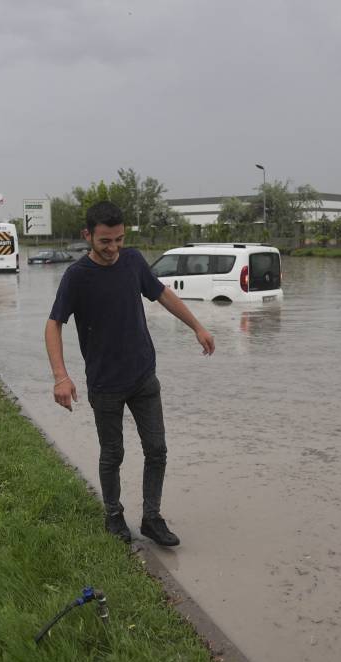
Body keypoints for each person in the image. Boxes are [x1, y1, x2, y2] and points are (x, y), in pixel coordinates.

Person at [44, 201, 215, 547]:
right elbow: (53, 325)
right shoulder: (76, 277)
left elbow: (163, 295)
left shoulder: (134, 261)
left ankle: (152, 518)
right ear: (87, 236)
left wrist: (197, 326)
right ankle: (113, 515)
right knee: (113, 454)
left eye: (119, 239)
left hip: (143, 377)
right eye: (105, 241)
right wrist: (61, 376)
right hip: (105, 384)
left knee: (157, 449)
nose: (113, 248)